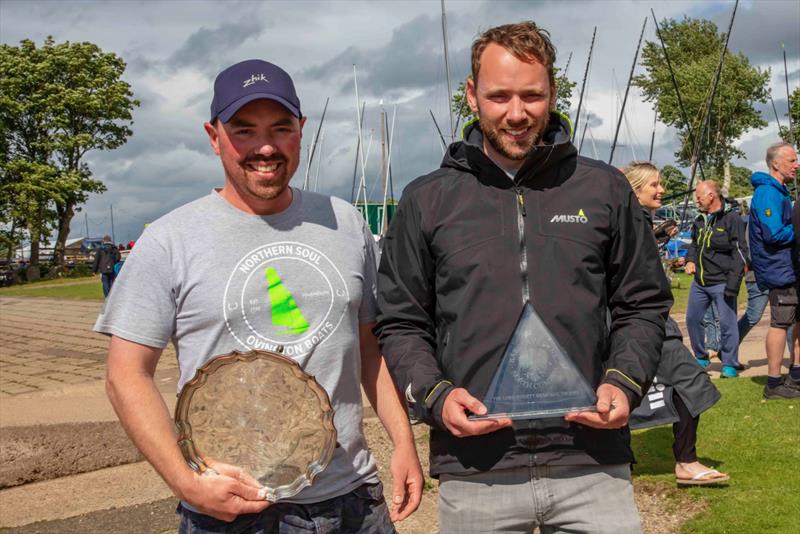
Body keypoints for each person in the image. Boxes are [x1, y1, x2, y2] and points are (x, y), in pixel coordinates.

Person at [96, 59, 422, 532]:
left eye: (281, 128)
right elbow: (125, 376)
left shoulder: (345, 222)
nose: (265, 147)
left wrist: (403, 442)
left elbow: (369, 349)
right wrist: (186, 484)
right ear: (214, 136)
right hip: (233, 511)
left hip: (354, 500)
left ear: (301, 131)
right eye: (244, 131)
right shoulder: (170, 239)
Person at [376, 21, 671, 533]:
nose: (517, 113)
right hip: (476, 468)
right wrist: (435, 395)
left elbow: (642, 303)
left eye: (532, 95)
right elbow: (401, 321)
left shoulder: (603, 189)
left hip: (592, 460)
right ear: (471, 95)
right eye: (499, 96)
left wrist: (625, 382)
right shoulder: (427, 200)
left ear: (553, 93)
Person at [623, 162, 727, 486]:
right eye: (654, 184)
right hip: (641, 323)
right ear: (636, 189)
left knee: (630, 391)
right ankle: (684, 461)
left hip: (652, 322)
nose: (661, 190)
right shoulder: (628, 224)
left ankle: (645, 461)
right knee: (688, 381)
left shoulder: (638, 223)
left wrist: (653, 235)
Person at [749, 142, 800, 399]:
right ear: (775, 163)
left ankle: (793, 376)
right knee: (780, 323)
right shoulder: (768, 193)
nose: (796, 165)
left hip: (788, 267)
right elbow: (773, 234)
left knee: (792, 320)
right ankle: (773, 383)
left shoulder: (780, 191)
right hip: (778, 269)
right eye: (791, 160)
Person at [684, 181, 748, 377]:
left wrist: (733, 285)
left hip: (723, 282)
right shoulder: (699, 220)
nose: (697, 200)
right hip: (700, 283)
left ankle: (729, 363)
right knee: (692, 319)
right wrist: (689, 260)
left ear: (711, 196)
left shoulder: (732, 218)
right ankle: (701, 357)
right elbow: (694, 245)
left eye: (699, 197)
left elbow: (741, 254)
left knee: (728, 324)